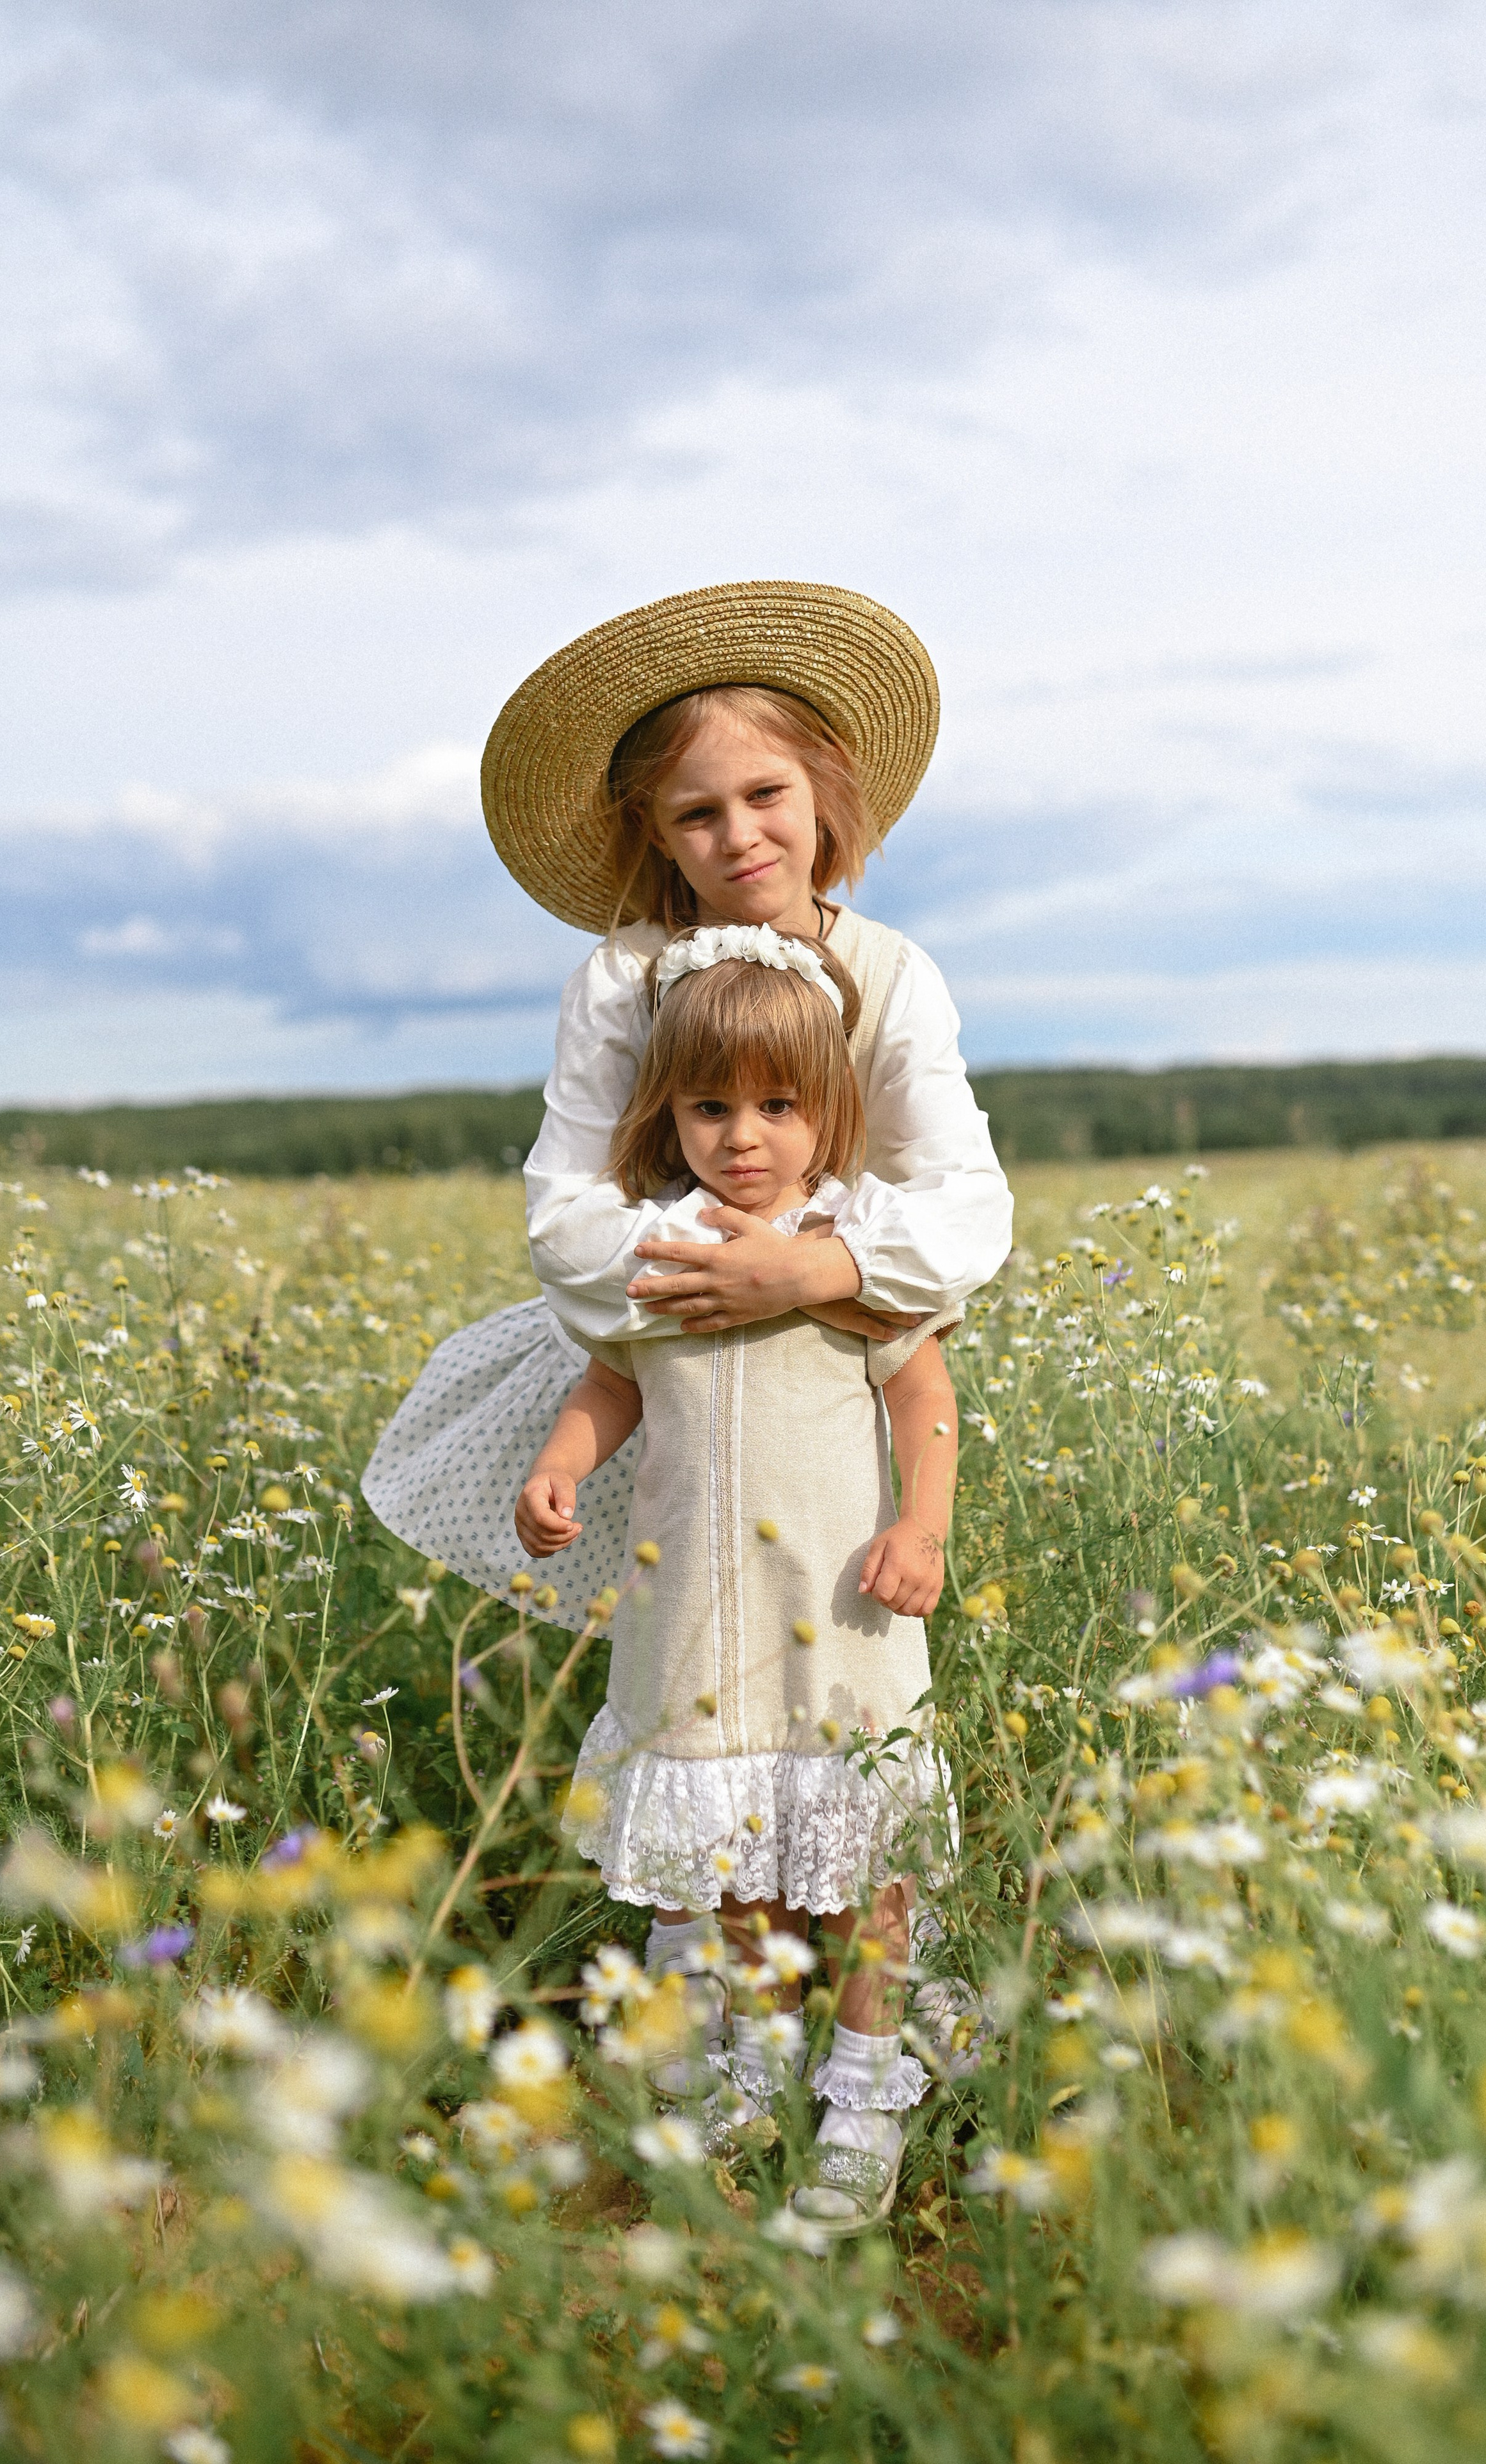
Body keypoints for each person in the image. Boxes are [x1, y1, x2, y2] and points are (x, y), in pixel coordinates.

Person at [361, 580, 1012, 1637]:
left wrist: (808, 1267)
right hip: (658, 1339)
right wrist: (711, 1266)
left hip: (837, 1347)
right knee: (686, 1634)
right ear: (655, 835)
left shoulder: (892, 976)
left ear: (824, 791)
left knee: (822, 1625)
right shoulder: (622, 981)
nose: (739, 836)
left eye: (766, 795)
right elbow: (567, 1218)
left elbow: (966, 1207)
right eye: (696, 814)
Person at [516, 923, 960, 2233]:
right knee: (741, 1857)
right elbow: (614, 1379)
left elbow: (925, 1396)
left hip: (841, 1616)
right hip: (701, 1618)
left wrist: (921, 1529)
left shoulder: (852, 1248)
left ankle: (867, 2083)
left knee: (869, 1862)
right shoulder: (656, 1246)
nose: (743, 1135)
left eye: (777, 1105)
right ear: (668, 1114)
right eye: (709, 1106)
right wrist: (560, 1459)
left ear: (830, 1113)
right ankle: (755, 2055)